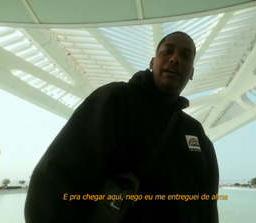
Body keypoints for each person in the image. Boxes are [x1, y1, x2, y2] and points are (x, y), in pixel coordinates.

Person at [25, 31, 219, 223]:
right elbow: (55, 178)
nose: (175, 59)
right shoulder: (114, 101)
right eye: (167, 51)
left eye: (186, 56)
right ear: (152, 62)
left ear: (192, 72)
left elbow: (208, 205)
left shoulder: (196, 134)